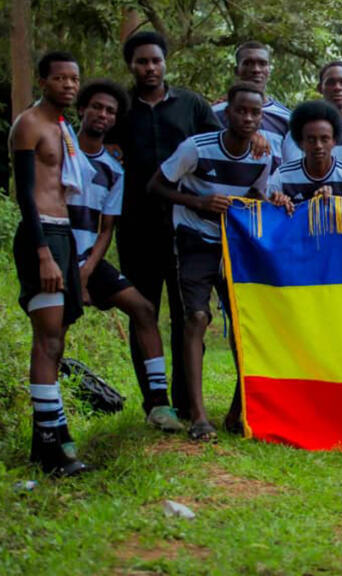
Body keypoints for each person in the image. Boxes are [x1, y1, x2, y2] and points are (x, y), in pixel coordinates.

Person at [147, 82, 273, 442]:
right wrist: (198, 203)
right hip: (195, 239)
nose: (247, 118)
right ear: (226, 113)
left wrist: (269, 202)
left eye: (255, 112)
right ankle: (199, 416)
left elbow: (258, 195)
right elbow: (155, 186)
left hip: (236, 245)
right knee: (197, 317)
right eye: (241, 111)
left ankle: (238, 411)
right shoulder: (196, 148)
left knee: (243, 324)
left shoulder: (262, 155)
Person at [109, 31, 222, 421]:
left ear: (165, 62)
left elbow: (219, 143)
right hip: (135, 226)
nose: (150, 68)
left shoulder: (191, 105)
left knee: (188, 314)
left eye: (155, 60)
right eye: (141, 62)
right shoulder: (120, 109)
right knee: (143, 312)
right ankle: (155, 402)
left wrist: (256, 139)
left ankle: (188, 402)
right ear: (131, 66)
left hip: (186, 228)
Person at [68, 80, 184, 433]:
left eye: (110, 111)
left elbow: (106, 229)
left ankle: (159, 404)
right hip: (55, 253)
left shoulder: (114, 168)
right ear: (81, 110)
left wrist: (87, 272)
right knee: (54, 332)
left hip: (88, 259)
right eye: (96, 107)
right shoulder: (60, 148)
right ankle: (51, 416)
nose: (102, 115)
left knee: (144, 309)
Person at [11, 52, 90, 476]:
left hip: (63, 234)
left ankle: (49, 438)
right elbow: (25, 192)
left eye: (74, 79)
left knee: (57, 340)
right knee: (46, 340)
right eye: (60, 78)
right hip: (40, 236)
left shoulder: (64, 128)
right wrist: (42, 252)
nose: (69, 85)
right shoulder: (29, 124)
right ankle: (49, 450)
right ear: (43, 81)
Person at [213, 41, 297, 171]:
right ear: (237, 70)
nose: (256, 70)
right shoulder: (215, 113)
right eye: (248, 63)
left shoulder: (287, 118)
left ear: (269, 69)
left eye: (262, 63)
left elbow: (291, 166)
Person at [267, 100, 342, 211]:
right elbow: (268, 212)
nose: (318, 145)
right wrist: (277, 203)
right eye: (311, 140)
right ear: (300, 143)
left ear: (334, 141)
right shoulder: (283, 176)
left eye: (324, 139)